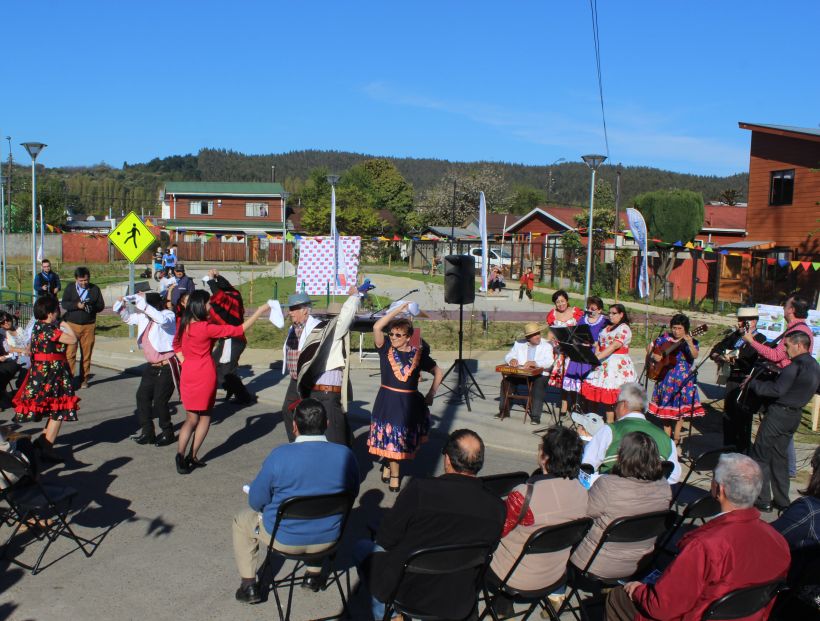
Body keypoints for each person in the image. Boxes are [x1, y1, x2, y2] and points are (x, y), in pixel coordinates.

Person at [607, 454, 790, 621]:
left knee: (618, 597)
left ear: (719, 489)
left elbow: (662, 608)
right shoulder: (778, 542)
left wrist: (638, 590)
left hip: (694, 616)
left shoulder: (705, 546)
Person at [354, 429, 505, 620]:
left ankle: (388, 616)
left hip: (408, 591)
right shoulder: (497, 508)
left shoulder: (420, 490)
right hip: (459, 595)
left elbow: (386, 539)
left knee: (362, 548)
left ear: (447, 460)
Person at [232, 399, 360, 605]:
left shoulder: (280, 455)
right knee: (320, 510)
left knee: (241, 520)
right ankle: (313, 574)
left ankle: (249, 586)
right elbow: (352, 493)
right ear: (326, 423)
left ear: (294, 426)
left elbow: (256, 501)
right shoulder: (346, 455)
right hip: (329, 537)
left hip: (285, 538)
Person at [487, 426, 588, 616]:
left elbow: (498, 530)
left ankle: (503, 608)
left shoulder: (524, 494)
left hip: (514, 577)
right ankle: (556, 598)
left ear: (546, 457)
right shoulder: (582, 493)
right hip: (556, 574)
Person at [173, 290, 269, 474]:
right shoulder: (206, 327)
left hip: (188, 372)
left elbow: (176, 345)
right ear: (200, 305)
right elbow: (238, 330)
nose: (211, 306)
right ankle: (192, 456)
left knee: (190, 418)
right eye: (208, 303)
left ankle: (180, 454)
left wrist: (184, 360)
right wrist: (259, 311)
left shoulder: (184, 324)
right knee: (205, 417)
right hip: (204, 373)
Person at [569, 431, 671, 579]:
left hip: (597, 562)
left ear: (623, 456)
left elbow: (581, 514)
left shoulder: (608, 485)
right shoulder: (664, 485)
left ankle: (556, 590)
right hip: (640, 561)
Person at [368, 302, 443, 493]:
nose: (393, 337)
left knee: (398, 439)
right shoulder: (385, 350)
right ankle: (394, 475)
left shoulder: (417, 354)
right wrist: (397, 311)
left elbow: (438, 371)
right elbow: (377, 327)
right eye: (392, 334)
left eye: (398, 335)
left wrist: (431, 394)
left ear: (408, 337)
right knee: (390, 437)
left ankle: (388, 464)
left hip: (408, 403)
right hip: (387, 401)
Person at [742, 295, 814, 478]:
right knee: (782, 434)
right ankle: (786, 469)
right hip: (787, 384)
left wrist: (752, 342)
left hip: (785, 386)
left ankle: (785, 470)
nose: (783, 308)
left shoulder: (797, 332)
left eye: (785, 305)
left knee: (778, 433)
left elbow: (775, 356)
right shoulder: (795, 329)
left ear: (791, 310)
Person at [280, 287, 361, 446]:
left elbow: (345, 315)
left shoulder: (328, 328)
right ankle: (299, 446)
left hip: (324, 388)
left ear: (305, 311)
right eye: (289, 309)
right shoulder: (296, 328)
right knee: (290, 410)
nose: (290, 312)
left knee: (333, 433)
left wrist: (355, 296)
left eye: (294, 309)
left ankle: (342, 458)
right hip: (304, 382)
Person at [749, 332, 820, 512]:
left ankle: (763, 498)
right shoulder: (814, 366)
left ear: (799, 345)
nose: (785, 350)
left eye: (787, 346)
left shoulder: (794, 366)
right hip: (794, 416)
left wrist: (753, 384)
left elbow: (776, 390)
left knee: (760, 454)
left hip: (779, 414)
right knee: (780, 457)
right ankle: (782, 500)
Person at [12, 296, 79, 463]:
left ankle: (43, 442)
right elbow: (73, 339)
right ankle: (46, 448)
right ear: (50, 314)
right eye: (56, 310)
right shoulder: (51, 329)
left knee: (55, 410)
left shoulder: (37, 327)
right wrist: (64, 324)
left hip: (41, 374)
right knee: (59, 410)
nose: (58, 313)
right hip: (53, 375)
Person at [580, 383, 681, 483]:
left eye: (615, 404)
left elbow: (586, 467)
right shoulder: (667, 439)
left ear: (623, 404)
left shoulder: (609, 430)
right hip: (651, 496)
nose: (615, 409)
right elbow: (674, 477)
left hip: (613, 494)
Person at [114, 292, 177, 447]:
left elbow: (160, 319)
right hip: (151, 366)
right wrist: (121, 305)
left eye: (142, 304)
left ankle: (168, 433)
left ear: (150, 305)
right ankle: (148, 433)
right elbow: (128, 318)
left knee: (160, 401)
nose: (139, 308)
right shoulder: (144, 317)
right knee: (142, 397)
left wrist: (142, 303)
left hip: (166, 365)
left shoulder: (168, 315)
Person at [709, 307, 767, 453]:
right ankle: (728, 448)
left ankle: (742, 451)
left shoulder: (760, 339)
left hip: (744, 381)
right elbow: (716, 349)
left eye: (743, 321)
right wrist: (718, 356)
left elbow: (748, 358)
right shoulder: (734, 336)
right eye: (739, 320)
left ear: (753, 322)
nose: (739, 323)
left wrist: (731, 358)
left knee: (742, 418)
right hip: (730, 378)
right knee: (728, 416)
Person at [647, 313, 704, 444]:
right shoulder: (665, 338)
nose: (676, 331)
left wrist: (689, 343)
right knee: (665, 411)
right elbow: (650, 347)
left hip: (682, 379)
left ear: (686, 329)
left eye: (679, 328)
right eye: (674, 327)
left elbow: (695, 355)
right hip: (665, 377)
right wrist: (654, 355)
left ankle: (676, 437)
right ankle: (667, 439)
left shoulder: (691, 340)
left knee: (680, 410)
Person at [203, 270, 255, 405]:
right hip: (228, 340)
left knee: (226, 372)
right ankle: (231, 389)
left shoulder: (231, 299)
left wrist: (211, 281)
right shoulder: (234, 296)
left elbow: (221, 298)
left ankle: (244, 397)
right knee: (213, 365)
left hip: (234, 340)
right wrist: (217, 277)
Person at [580, 304, 636, 422]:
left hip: (616, 364)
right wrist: (594, 358)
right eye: (609, 313)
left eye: (613, 313)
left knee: (612, 396)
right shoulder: (606, 327)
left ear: (621, 314)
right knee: (596, 392)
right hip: (603, 362)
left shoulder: (624, 328)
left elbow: (614, 346)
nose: (610, 315)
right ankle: (592, 420)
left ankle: (611, 423)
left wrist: (598, 357)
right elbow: (599, 345)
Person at [498, 321, 554, 425]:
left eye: (538, 333)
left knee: (538, 385)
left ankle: (535, 416)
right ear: (528, 338)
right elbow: (508, 356)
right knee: (505, 382)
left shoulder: (547, 345)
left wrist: (535, 363)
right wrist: (511, 360)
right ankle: (503, 411)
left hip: (539, 374)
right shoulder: (519, 344)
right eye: (534, 335)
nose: (538, 336)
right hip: (522, 373)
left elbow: (550, 362)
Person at [61, 266, 105, 389]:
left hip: (89, 325)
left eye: (86, 280)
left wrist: (93, 307)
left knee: (86, 354)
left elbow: (101, 305)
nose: (84, 283)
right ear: (76, 279)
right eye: (81, 281)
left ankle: (84, 379)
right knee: (70, 354)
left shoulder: (95, 289)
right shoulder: (70, 288)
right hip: (72, 325)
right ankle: (69, 378)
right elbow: (64, 303)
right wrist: (76, 305)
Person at [564, 297, 608, 409]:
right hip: (580, 351)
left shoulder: (604, 321)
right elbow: (576, 333)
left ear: (599, 310)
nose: (590, 310)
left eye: (593, 308)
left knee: (588, 381)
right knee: (574, 378)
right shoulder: (583, 319)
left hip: (594, 352)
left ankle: (587, 407)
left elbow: (607, 339)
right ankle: (575, 404)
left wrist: (595, 344)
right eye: (588, 308)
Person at [545, 289, 584, 415]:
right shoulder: (553, 314)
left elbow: (583, 330)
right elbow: (550, 333)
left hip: (574, 350)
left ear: (567, 300)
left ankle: (574, 403)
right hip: (560, 351)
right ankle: (563, 404)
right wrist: (549, 344)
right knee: (562, 380)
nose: (560, 304)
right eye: (557, 302)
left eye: (562, 301)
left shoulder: (576, 312)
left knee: (573, 379)